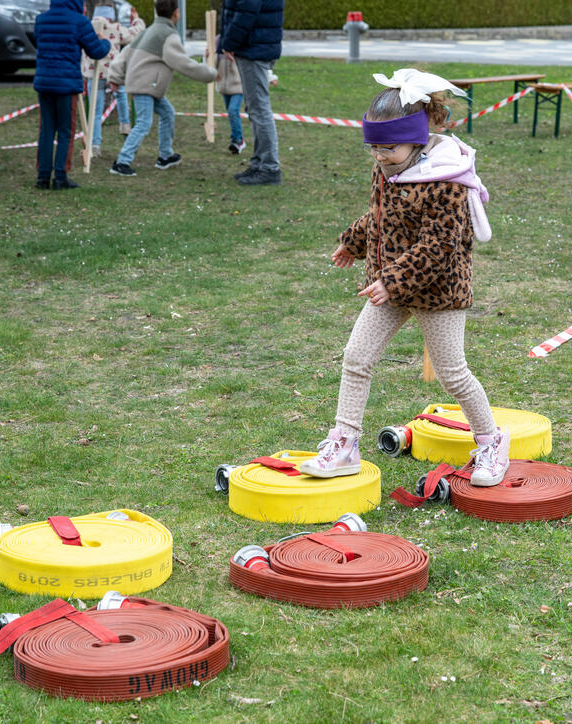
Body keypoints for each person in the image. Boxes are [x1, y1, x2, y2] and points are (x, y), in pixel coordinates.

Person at [298, 69, 509, 487]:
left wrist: (392, 281)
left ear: (415, 138)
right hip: (389, 287)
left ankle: (491, 442)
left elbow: (438, 245)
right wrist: (353, 242)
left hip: (438, 291)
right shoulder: (388, 168)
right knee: (356, 358)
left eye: (388, 148)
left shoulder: (446, 181)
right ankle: (345, 444)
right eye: (373, 147)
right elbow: (382, 218)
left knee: (453, 374)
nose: (379, 155)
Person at [108, 0, 216, 177]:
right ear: (176, 13)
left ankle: (165, 156)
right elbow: (184, 63)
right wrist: (211, 74)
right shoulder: (168, 35)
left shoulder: (147, 31)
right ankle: (122, 161)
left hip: (147, 85)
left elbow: (125, 54)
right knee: (143, 123)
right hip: (146, 85)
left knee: (167, 113)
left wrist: (115, 77)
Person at [32, 0, 110, 190]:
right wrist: (105, 41)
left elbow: (39, 43)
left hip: (44, 82)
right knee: (66, 131)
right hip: (66, 85)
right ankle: (60, 176)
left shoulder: (41, 20)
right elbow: (96, 51)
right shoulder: (79, 21)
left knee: (46, 130)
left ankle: (43, 176)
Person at [218, 0, 284, 186]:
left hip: (254, 47)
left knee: (259, 109)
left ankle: (269, 167)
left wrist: (230, 42)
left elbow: (247, 11)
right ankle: (259, 163)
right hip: (255, 45)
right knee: (255, 108)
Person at [81, 0, 145, 157]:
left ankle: (95, 145)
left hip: (93, 73)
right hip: (113, 72)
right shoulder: (116, 28)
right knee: (121, 93)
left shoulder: (87, 28)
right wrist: (136, 18)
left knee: (95, 111)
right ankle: (124, 124)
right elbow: (136, 32)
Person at [215, 43, 245, 154]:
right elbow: (210, 64)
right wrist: (207, 56)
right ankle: (236, 138)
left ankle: (238, 140)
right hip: (224, 86)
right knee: (231, 113)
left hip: (238, 86)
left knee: (233, 110)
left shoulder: (238, 38)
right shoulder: (218, 40)